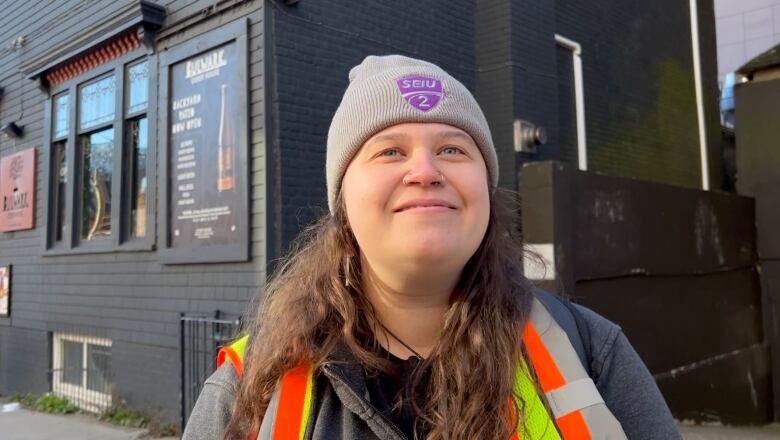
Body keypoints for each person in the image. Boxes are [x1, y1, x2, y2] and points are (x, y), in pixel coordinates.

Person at [183, 55, 680, 440]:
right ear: (343, 203)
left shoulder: (592, 354)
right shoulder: (250, 387)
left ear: (485, 189)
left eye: (452, 149)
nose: (425, 171)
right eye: (390, 151)